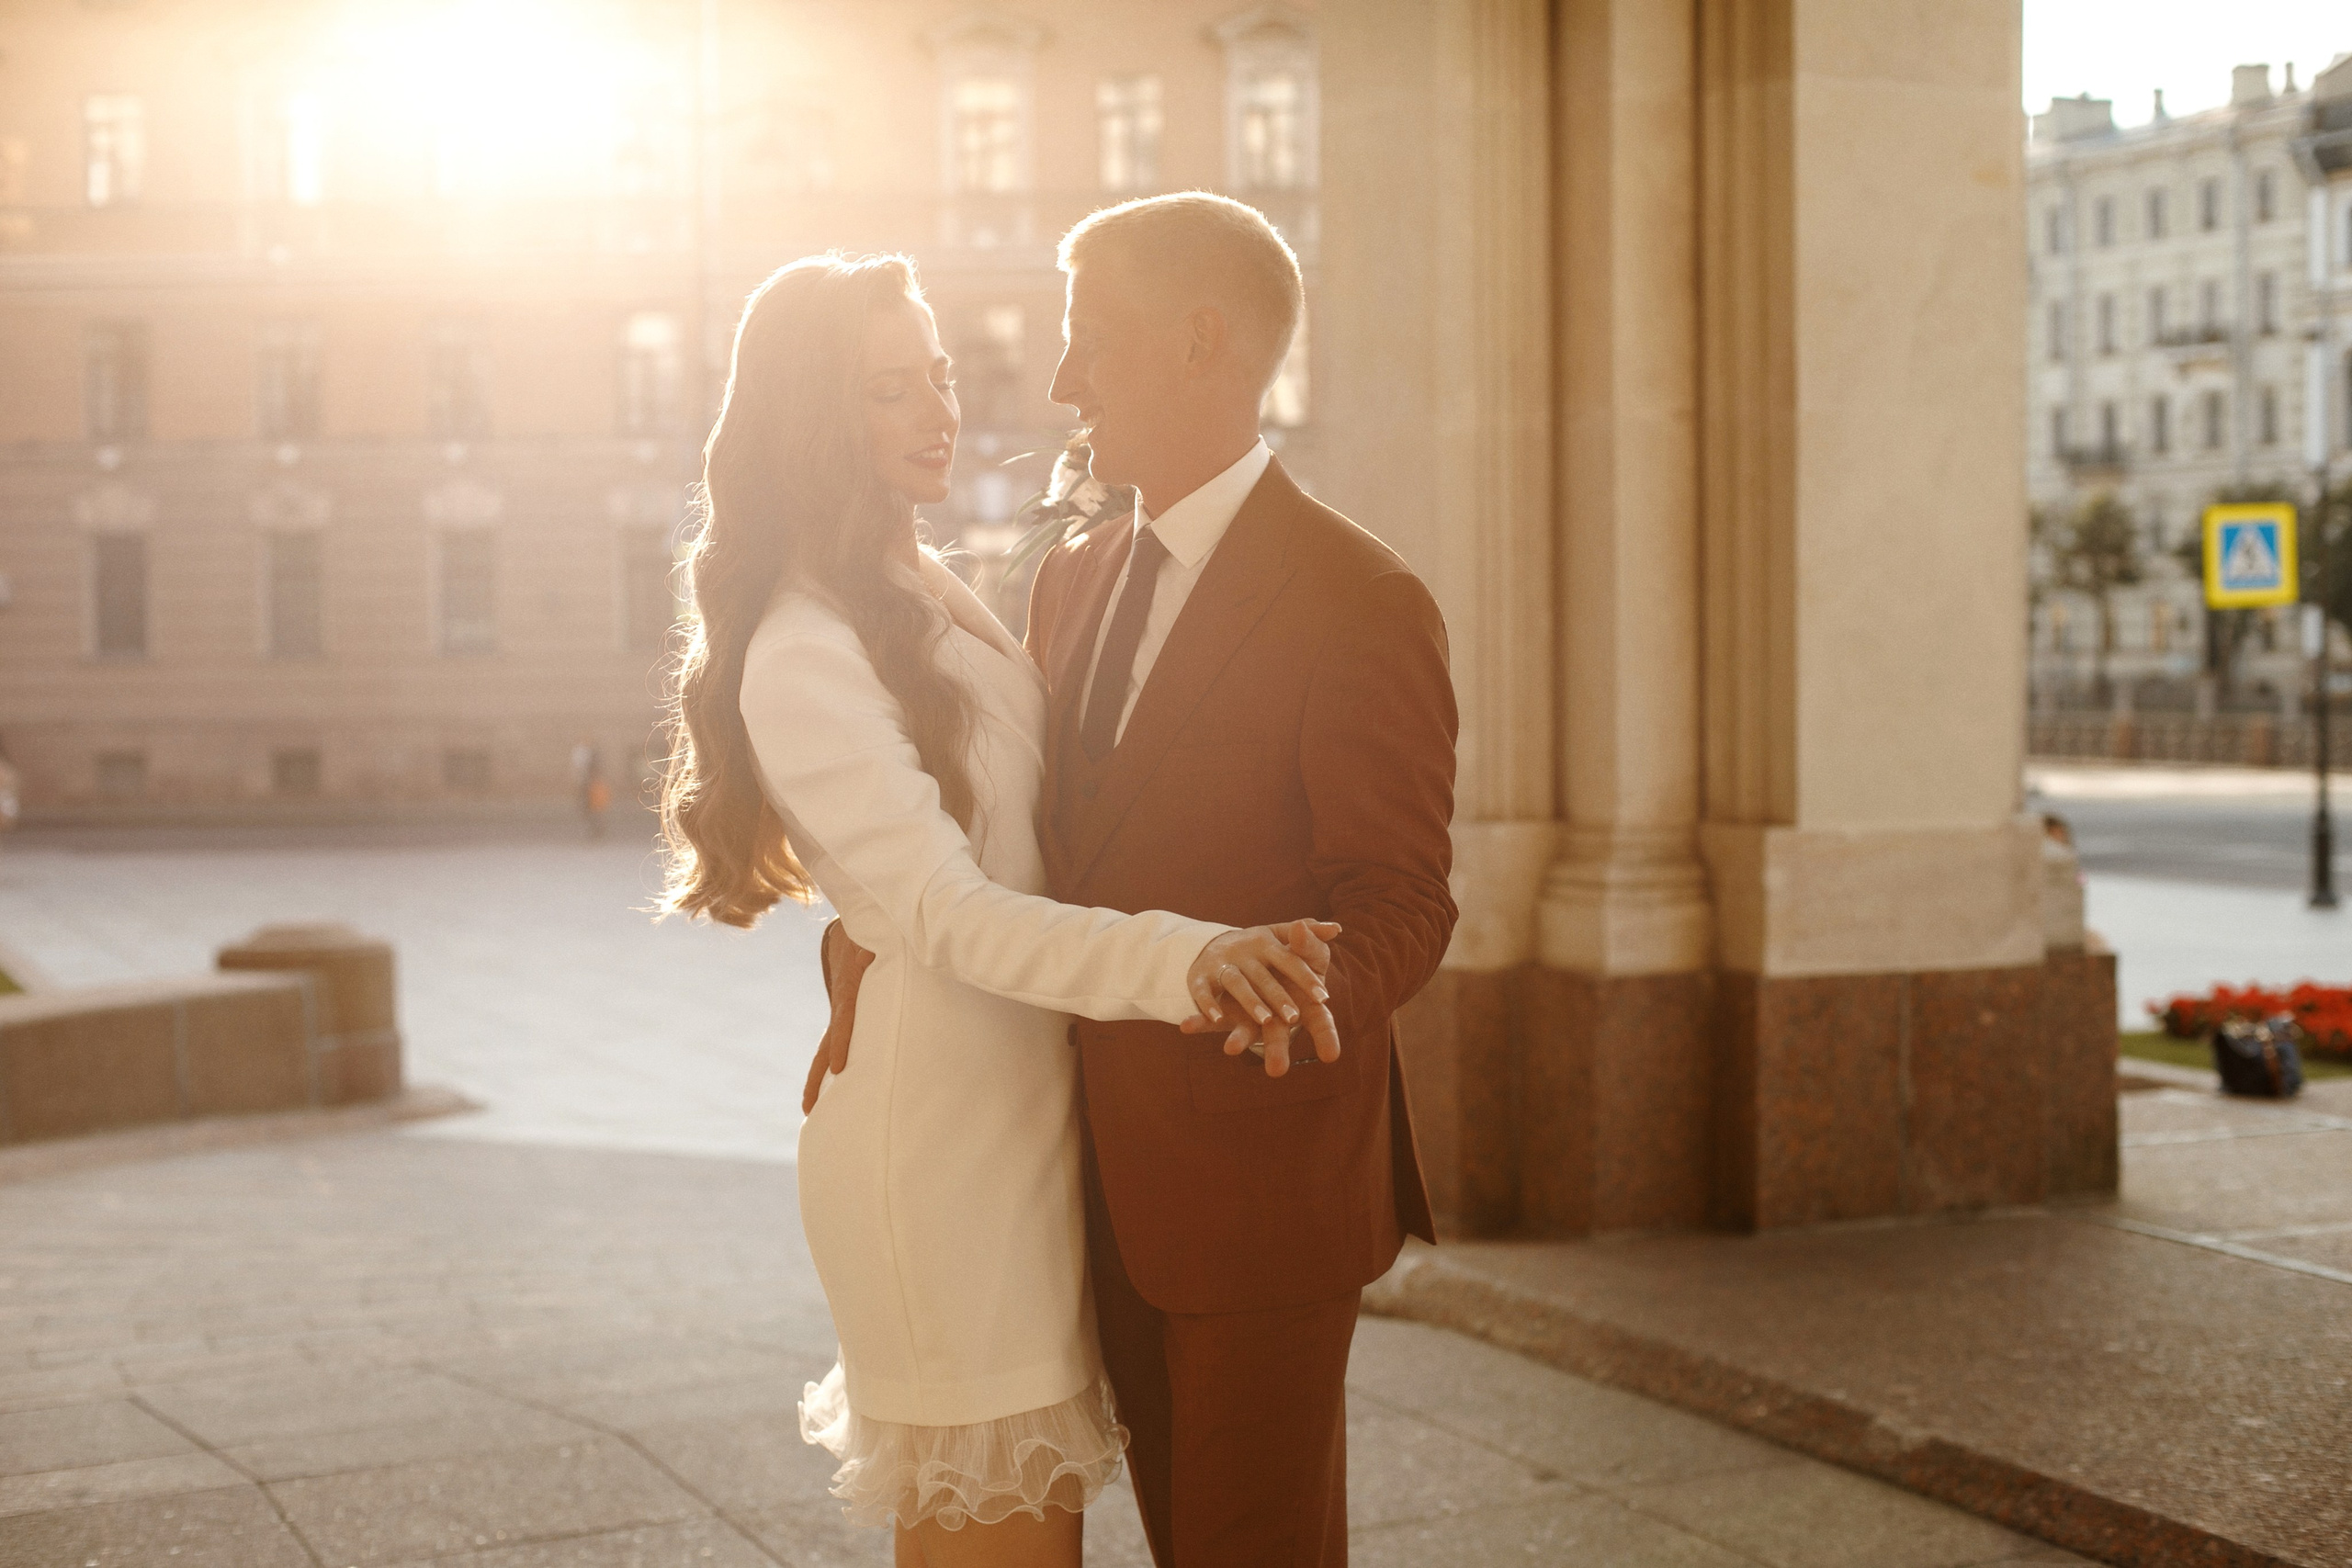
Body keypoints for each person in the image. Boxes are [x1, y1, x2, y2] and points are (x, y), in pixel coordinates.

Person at [655, 252, 1344, 1568]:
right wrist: (1196, 961)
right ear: (812, 419)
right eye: (886, 390)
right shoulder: (804, 647)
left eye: (939, 377)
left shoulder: (919, 584)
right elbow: (958, 913)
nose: (936, 411)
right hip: (946, 1162)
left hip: (1021, 1124)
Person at [817, 195, 1458, 1567]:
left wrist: (1295, 992)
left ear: (1201, 343)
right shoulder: (1073, 577)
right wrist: (874, 928)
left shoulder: (1364, 598)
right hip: (1073, 1179)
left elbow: (1404, 894)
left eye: (1086, 342)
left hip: (1258, 1189)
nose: (1058, 384)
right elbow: (1033, 837)